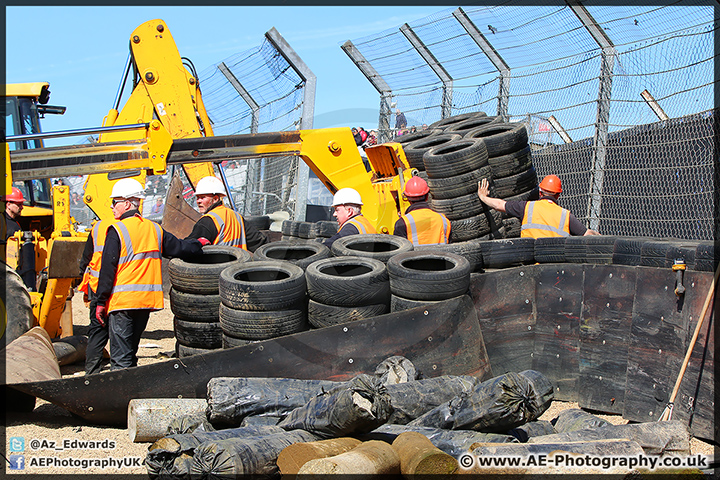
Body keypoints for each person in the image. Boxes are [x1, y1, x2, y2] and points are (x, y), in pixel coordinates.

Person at [94, 178, 209, 371]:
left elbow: (107, 270)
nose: (112, 207)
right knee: (131, 352)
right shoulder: (154, 229)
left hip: (122, 303)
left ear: (127, 203)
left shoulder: (117, 230)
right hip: (145, 303)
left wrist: (100, 301)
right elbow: (179, 248)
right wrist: (198, 243)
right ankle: (132, 392)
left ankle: (121, 397)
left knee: (120, 359)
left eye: (115, 202)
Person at [477, 175, 600, 238]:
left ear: (540, 192)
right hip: (556, 268)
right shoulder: (566, 215)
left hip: (531, 264)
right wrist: (605, 239)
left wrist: (483, 197)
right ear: (558, 195)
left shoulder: (527, 207)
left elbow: (499, 205)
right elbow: (587, 234)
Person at [184, 176, 267, 252]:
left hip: (216, 266)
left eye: (203, 197)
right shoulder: (236, 216)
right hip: (238, 266)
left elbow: (189, 248)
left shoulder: (208, 221)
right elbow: (257, 241)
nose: (198, 201)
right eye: (197, 197)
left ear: (215, 199)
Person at [78, 217, 115, 375]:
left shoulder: (98, 226)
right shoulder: (130, 227)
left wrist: (81, 277)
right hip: (119, 287)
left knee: (97, 331)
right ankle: (119, 372)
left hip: (97, 284)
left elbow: (86, 258)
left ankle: (91, 374)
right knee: (119, 332)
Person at [393, 176, 451, 245]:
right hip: (441, 255)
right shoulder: (443, 220)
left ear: (408, 199)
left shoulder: (402, 223)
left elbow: (399, 252)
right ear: (427, 197)